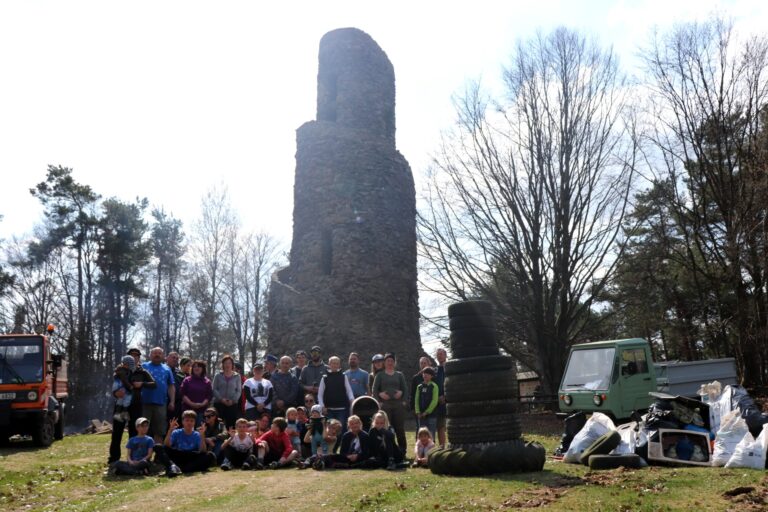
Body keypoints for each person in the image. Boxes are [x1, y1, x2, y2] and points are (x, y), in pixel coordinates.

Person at [371, 353, 409, 458]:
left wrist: (404, 401)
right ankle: (389, 451)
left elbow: (405, 389)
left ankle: (402, 451)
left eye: (392, 361)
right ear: (385, 362)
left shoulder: (399, 375)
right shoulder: (380, 375)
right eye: (388, 361)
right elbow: (374, 389)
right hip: (385, 405)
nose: (390, 363)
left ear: (394, 362)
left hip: (398, 405)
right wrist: (379, 400)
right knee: (387, 429)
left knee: (399, 429)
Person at [158, 410, 215, 475]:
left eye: (191, 421)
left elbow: (203, 451)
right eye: (187, 420)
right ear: (183, 422)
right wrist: (170, 430)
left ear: (194, 422)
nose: (189, 423)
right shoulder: (176, 432)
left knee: (210, 455)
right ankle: (173, 466)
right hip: (178, 455)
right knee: (158, 447)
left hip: (191, 456)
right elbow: (167, 445)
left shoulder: (197, 434)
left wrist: (202, 436)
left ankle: (182, 469)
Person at [108, 355, 139, 465]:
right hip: (120, 406)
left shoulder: (138, 372)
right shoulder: (119, 373)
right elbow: (115, 388)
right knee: (117, 432)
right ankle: (114, 458)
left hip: (134, 406)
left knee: (134, 432)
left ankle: (134, 457)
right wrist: (115, 393)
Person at [141, 347, 175, 442]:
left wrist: (172, 401)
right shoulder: (143, 366)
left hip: (161, 403)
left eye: (159, 353)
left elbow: (171, 386)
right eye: (155, 353)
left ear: (163, 356)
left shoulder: (167, 369)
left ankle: (158, 454)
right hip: (145, 402)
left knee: (159, 431)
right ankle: (143, 454)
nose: (157, 355)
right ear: (150, 355)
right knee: (142, 429)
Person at [318, 356, 354, 432]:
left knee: (341, 430)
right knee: (330, 431)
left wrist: (352, 401)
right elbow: (320, 395)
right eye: (333, 363)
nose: (335, 365)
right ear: (329, 364)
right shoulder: (324, 378)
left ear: (339, 365)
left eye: (337, 363)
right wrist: (322, 407)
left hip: (342, 410)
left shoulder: (344, 376)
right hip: (328, 410)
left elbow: (349, 391)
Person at [126, 348, 156, 439]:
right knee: (118, 429)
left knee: (135, 427)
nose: (134, 357)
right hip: (122, 403)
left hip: (136, 402)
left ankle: (134, 450)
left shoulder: (142, 371)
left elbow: (154, 384)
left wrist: (142, 384)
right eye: (132, 355)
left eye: (136, 355)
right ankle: (115, 454)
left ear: (139, 358)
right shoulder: (121, 370)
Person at [213, 354, 242, 429]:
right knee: (218, 425)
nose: (227, 365)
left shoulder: (237, 376)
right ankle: (217, 439)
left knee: (231, 426)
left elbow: (239, 391)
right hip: (219, 404)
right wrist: (221, 399)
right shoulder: (218, 375)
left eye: (229, 363)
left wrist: (233, 401)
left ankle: (231, 439)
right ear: (222, 364)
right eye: (225, 363)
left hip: (232, 404)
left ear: (232, 364)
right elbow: (214, 389)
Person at [180, 360, 213, 425]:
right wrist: (191, 404)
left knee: (199, 430)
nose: (196, 368)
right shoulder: (187, 380)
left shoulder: (207, 382)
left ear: (203, 369)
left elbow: (209, 396)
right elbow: (182, 394)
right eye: (194, 367)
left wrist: (202, 404)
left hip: (202, 411)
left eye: (199, 367)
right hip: (188, 410)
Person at [414, 367, 439, 440]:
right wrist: (418, 412)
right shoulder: (419, 386)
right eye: (424, 373)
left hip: (431, 415)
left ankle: (431, 451)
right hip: (421, 416)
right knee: (421, 435)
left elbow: (434, 401)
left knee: (431, 435)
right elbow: (416, 400)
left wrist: (427, 412)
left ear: (431, 376)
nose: (425, 375)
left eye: (428, 374)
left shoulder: (434, 386)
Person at [166, 351, 185, 422]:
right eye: (173, 357)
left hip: (177, 404)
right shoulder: (163, 369)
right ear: (167, 358)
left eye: (177, 358)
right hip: (164, 402)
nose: (175, 359)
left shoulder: (180, 373)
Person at [435, 348, 448, 447]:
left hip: (448, 401)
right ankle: (441, 447)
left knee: (446, 425)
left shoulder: (450, 368)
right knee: (440, 426)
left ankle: (447, 446)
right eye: (438, 354)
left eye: (441, 354)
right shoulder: (435, 370)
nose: (439, 356)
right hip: (437, 402)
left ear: (445, 355)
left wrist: (445, 396)